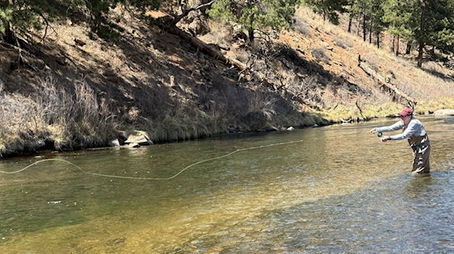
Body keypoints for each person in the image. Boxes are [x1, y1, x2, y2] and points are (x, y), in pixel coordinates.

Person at [370, 107, 431, 175]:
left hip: (422, 148)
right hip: (417, 147)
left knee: (416, 172)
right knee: (424, 170)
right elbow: (391, 128)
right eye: (400, 116)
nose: (401, 118)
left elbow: (404, 136)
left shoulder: (414, 123)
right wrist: (378, 129)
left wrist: (389, 138)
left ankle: (417, 184)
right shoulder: (404, 121)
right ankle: (427, 182)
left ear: (409, 116)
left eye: (403, 116)